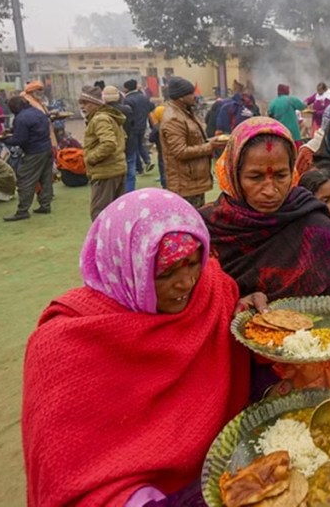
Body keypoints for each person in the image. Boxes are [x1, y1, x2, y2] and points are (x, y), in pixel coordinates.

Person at [22, 189, 259, 507]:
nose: (186, 282)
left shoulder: (210, 291)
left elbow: (243, 355)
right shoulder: (63, 346)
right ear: (128, 268)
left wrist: (253, 318)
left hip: (231, 471)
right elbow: (71, 483)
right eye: (165, 272)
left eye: (193, 263)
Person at [200, 117, 330, 396]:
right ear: (233, 173)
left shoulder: (312, 222)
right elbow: (197, 304)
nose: (270, 190)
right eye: (255, 177)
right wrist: (234, 300)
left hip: (311, 363)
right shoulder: (210, 229)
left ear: (293, 172)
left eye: (280, 175)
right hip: (240, 369)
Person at [160, 76, 216, 211]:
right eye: (191, 94)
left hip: (192, 181)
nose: (194, 96)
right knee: (190, 218)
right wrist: (210, 147)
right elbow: (180, 152)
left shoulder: (185, 113)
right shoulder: (174, 119)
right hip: (185, 184)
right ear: (181, 97)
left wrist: (210, 142)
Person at [80, 86, 127, 221]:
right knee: (116, 213)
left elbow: (109, 143)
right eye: (81, 103)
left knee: (99, 214)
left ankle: (102, 236)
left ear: (95, 103)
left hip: (106, 172)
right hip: (115, 169)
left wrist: (91, 158)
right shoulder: (108, 117)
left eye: (86, 102)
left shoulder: (99, 119)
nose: (83, 106)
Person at [4, 96, 54, 221]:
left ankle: (22, 210)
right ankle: (45, 205)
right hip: (47, 148)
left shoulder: (21, 118)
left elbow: (20, 139)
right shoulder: (38, 112)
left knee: (25, 180)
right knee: (45, 179)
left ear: (14, 107)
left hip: (33, 152)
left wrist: (5, 140)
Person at [122, 79, 155, 192]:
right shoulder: (143, 97)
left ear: (126, 88)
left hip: (132, 127)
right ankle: (147, 160)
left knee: (133, 148)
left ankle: (140, 167)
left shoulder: (127, 100)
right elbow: (151, 107)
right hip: (142, 126)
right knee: (139, 145)